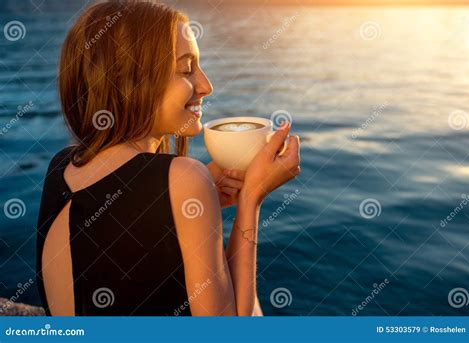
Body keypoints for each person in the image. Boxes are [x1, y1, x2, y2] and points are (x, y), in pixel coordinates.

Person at [36, 0, 300, 316]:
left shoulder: (61, 166)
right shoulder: (184, 176)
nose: (206, 85)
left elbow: (108, 248)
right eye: (186, 69)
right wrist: (251, 199)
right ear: (130, 81)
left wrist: (190, 204)